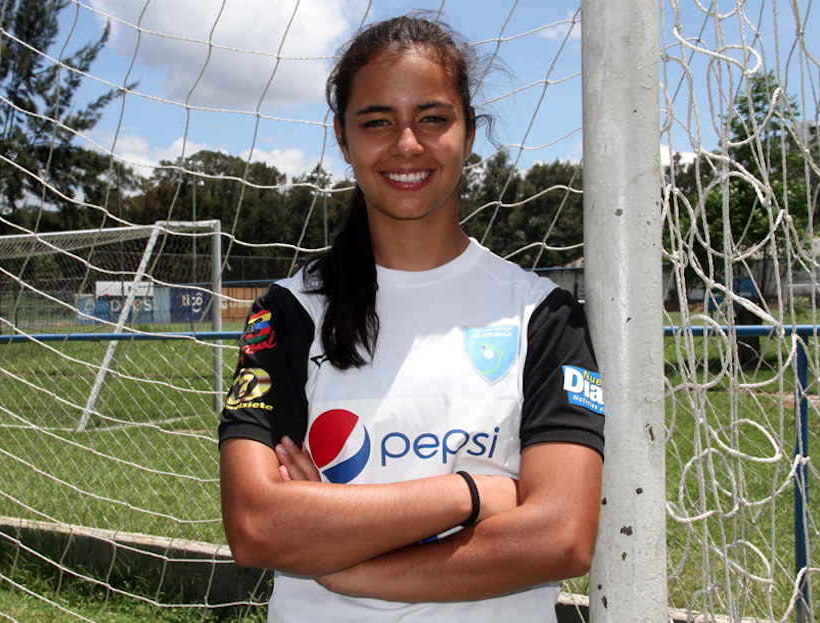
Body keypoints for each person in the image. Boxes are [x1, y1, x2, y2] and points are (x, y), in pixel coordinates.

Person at [219, 14, 604, 623]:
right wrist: (473, 493)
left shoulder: (543, 315)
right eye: (377, 122)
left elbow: (560, 537)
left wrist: (347, 565)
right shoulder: (288, 312)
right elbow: (257, 527)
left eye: (432, 118)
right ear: (344, 140)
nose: (406, 144)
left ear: (469, 133)